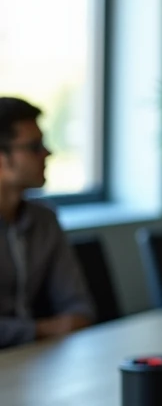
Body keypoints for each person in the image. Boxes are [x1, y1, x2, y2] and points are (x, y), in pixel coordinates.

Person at [0, 97, 94, 349]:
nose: (47, 153)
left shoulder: (44, 220)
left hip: (37, 361)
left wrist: (29, 333)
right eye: (34, 146)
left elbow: (79, 308)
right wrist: (40, 329)